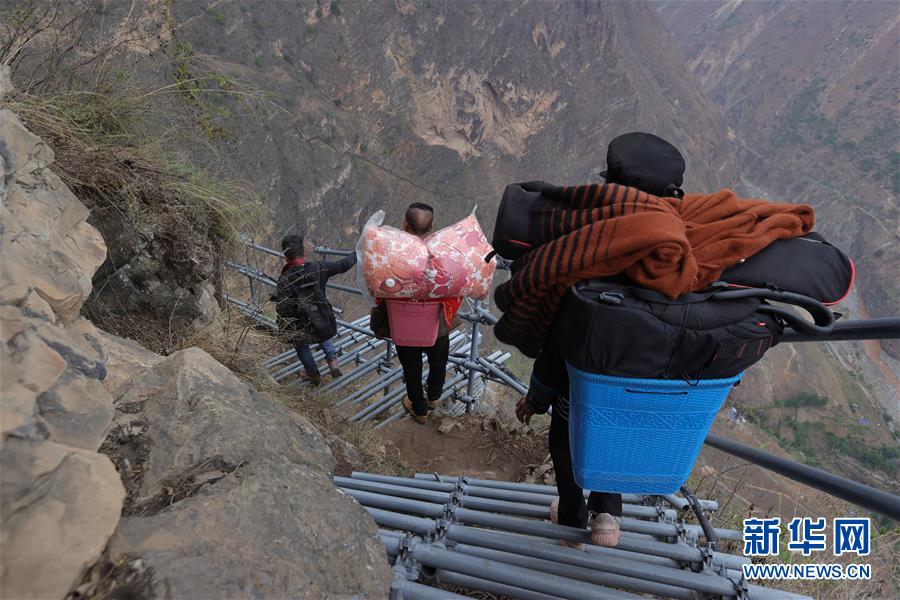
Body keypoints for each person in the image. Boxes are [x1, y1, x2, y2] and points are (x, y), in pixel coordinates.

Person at [515, 132, 686, 548]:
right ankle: (607, 516)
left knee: (566, 442)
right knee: (616, 439)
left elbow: (560, 340)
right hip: (646, 386)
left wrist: (536, 397)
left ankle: (571, 516)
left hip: (582, 384)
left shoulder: (591, 250)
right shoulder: (682, 249)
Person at [370, 203, 462, 424]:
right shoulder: (444, 254)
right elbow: (458, 285)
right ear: (431, 228)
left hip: (403, 325)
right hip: (436, 325)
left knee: (412, 369)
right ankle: (433, 398)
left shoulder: (389, 254)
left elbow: (376, 288)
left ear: (405, 224)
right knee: (438, 362)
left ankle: (419, 410)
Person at [272, 233, 356, 386]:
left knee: (300, 342)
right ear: (304, 253)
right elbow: (344, 265)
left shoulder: (284, 280)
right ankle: (332, 361)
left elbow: (283, 308)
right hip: (323, 319)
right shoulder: (318, 268)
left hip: (301, 325)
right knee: (320, 323)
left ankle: (313, 374)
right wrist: (360, 251)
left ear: (285, 257)